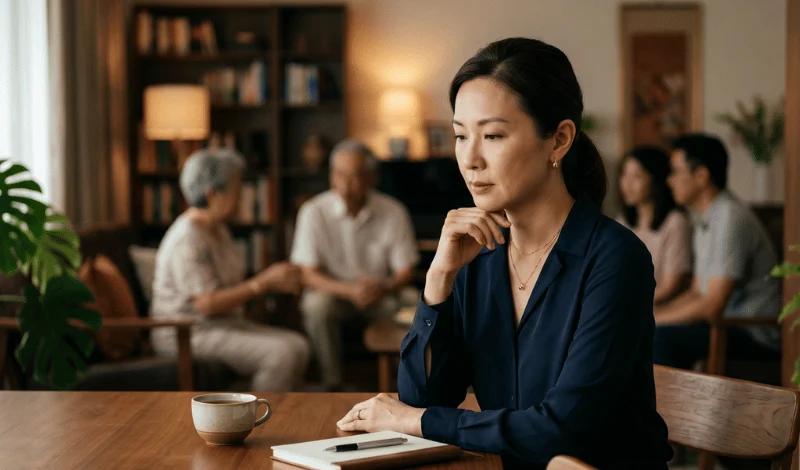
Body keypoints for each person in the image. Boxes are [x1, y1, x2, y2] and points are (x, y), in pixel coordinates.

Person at [335, 38, 673, 469]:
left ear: (559, 140)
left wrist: (415, 421)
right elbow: (425, 398)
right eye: (460, 136)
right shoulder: (479, 255)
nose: (470, 159)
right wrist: (438, 279)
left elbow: (560, 431)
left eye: (492, 135)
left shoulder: (615, 259)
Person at [150, 148, 310, 392]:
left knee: (298, 345)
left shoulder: (218, 229)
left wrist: (273, 282)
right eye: (237, 189)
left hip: (223, 324)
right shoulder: (188, 237)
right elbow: (206, 304)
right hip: (188, 332)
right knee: (282, 353)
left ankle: (287, 416)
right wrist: (263, 283)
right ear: (213, 194)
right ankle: (260, 419)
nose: (242, 197)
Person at [290, 140, 420, 391]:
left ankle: (407, 381)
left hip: (381, 292)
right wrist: (349, 291)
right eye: (339, 175)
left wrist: (383, 286)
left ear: (372, 178)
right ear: (331, 177)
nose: (346, 184)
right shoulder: (313, 211)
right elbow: (307, 273)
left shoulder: (393, 211)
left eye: (355, 175)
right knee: (316, 306)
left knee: (414, 300)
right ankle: (333, 382)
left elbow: (406, 270)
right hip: (334, 293)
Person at [653, 133, 781, 369]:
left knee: (659, 339)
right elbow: (697, 292)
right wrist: (654, 313)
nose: (669, 180)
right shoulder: (705, 218)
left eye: (675, 171)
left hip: (752, 332)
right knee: (646, 332)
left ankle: (664, 407)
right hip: (725, 324)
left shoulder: (730, 218)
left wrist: (653, 321)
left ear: (701, 175)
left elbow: (712, 303)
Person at [617, 146, 692, 304]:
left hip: (664, 310)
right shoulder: (622, 222)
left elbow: (671, 287)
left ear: (656, 178)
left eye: (637, 176)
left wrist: (627, 305)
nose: (627, 184)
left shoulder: (675, 222)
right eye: (624, 174)